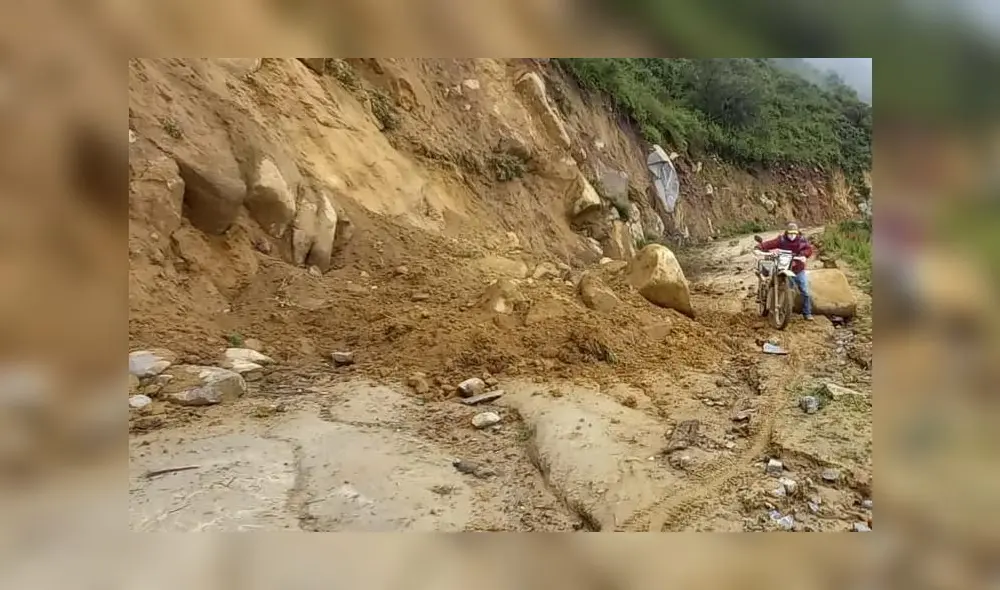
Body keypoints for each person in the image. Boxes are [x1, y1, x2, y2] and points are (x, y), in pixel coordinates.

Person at [756, 222, 815, 320]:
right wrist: (759, 247)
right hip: (784, 268)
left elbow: (809, 250)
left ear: (797, 233)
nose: (792, 236)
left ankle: (807, 313)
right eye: (790, 233)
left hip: (798, 269)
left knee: (805, 292)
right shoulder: (781, 240)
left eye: (794, 234)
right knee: (783, 290)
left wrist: (803, 254)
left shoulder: (802, 241)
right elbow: (769, 244)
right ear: (786, 233)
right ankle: (782, 310)